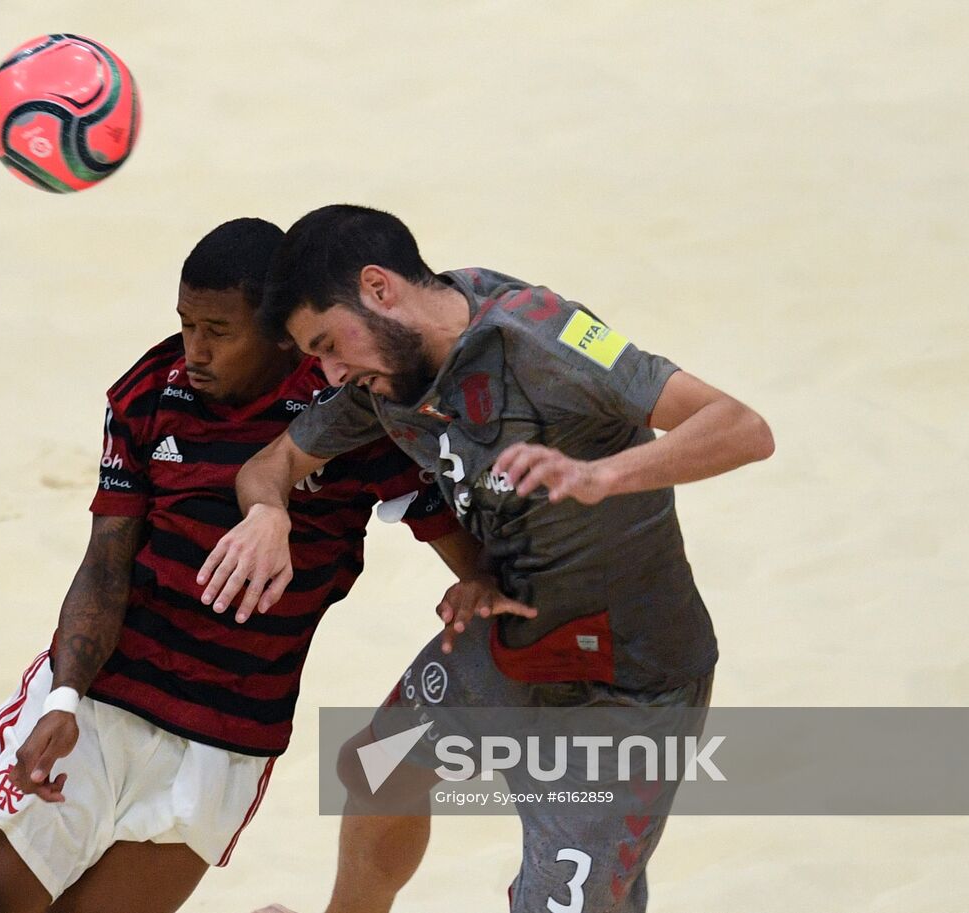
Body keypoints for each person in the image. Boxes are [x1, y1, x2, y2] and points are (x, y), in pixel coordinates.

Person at [198, 204, 775, 913]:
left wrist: (603, 475)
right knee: (377, 769)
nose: (331, 370)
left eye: (328, 343)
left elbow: (743, 427)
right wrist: (267, 512)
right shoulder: (386, 377)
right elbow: (274, 462)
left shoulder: (542, 337)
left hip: (627, 682)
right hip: (508, 640)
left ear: (379, 289)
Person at [0, 217, 508, 913]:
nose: (195, 351)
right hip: (103, 700)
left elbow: (455, 540)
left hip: (227, 735)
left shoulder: (348, 411)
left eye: (218, 330)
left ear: (280, 333)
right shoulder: (149, 393)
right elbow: (104, 563)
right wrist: (64, 697)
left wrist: (479, 579)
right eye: (186, 324)